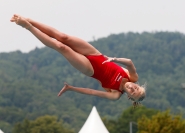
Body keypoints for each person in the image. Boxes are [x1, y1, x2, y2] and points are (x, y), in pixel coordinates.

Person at [10, 14, 146, 107]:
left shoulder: (116, 95)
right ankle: (29, 19)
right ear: (137, 85)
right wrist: (114, 59)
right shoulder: (132, 76)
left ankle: (27, 26)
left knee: (61, 47)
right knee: (63, 37)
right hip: (96, 54)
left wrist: (72, 88)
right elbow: (129, 62)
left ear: (129, 97)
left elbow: (92, 92)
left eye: (133, 93)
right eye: (137, 88)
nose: (133, 88)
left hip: (90, 69)